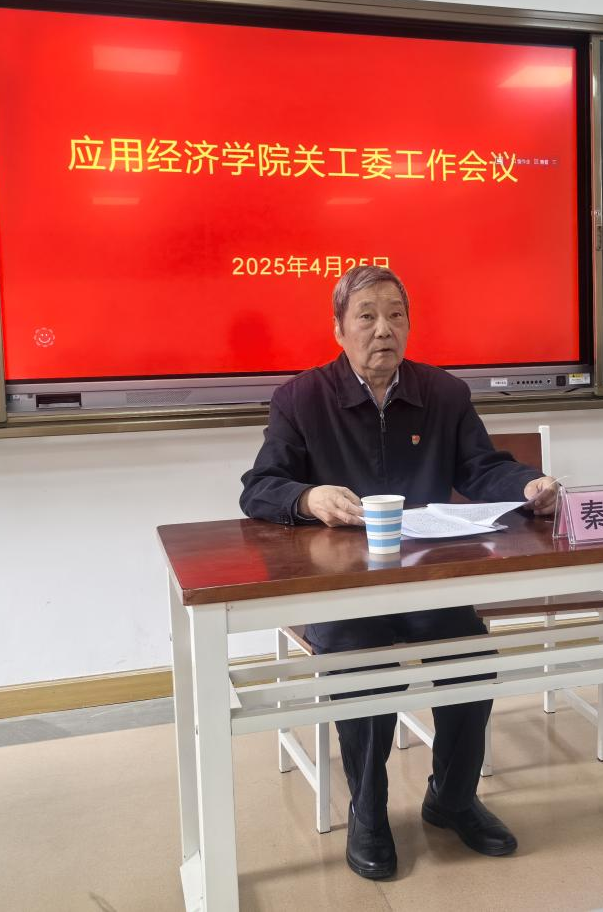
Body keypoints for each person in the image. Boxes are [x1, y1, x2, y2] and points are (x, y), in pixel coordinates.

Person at [240, 265, 559, 880]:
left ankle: (452, 798)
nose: (383, 329)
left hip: (425, 577)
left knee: (471, 657)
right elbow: (260, 486)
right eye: (366, 316)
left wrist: (528, 484)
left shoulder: (443, 393)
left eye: (395, 315)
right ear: (339, 330)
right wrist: (307, 498)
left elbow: (481, 468)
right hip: (344, 587)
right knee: (362, 667)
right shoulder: (301, 399)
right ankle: (369, 811)